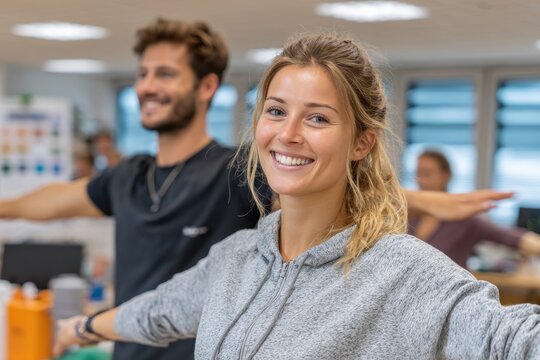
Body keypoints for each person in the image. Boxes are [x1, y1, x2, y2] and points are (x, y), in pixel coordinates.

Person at [54, 33, 540, 359]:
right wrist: (80, 328)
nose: (287, 134)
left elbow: (514, 340)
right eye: (276, 111)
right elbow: (159, 312)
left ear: (361, 142)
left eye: (317, 118)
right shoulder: (238, 257)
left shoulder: (403, 273)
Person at [0, 18, 272, 360]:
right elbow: (56, 201)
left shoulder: (239, 170)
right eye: (143, 74)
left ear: (206, 87)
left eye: (165, 74)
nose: (146, 86)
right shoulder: (129, 175)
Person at [409, 149, 540, 267]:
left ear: (446, 175)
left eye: (427, 173)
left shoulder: (462, 218)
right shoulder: (408, 216)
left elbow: (510, 237)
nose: (420, 180)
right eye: (418, 173)